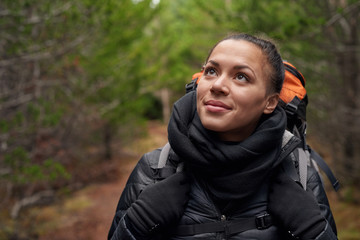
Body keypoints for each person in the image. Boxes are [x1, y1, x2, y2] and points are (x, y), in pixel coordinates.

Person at [107, 33, 338, 239]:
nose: (217, 85)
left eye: (241, 77)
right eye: (211, 71)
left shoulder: (298, 173)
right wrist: (137, 224)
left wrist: (313, 231)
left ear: (269, 102)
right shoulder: (155, 168)